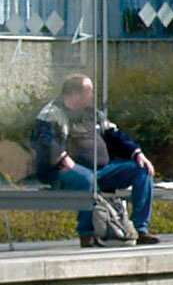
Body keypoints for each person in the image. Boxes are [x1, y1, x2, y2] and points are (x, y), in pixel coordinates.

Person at [29, 72, 158, 247]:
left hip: (101, 170)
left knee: (140, 170)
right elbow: (44, 141)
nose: (92, 95)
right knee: (87, 180)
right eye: (89, 91)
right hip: (62, 171)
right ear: (74, 93)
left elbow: (114, 134)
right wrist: (62, 157)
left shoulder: (93, 113)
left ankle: (140, 229)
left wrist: (136, 152)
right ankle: (87, 234)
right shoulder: (51, 113)